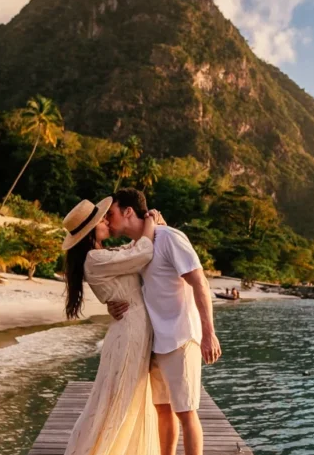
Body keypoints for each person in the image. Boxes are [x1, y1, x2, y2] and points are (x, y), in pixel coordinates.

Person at [106, 188, 222, 455]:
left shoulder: (170, 238)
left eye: (111, 213)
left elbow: (200, 283)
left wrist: (209, 334)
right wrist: (113, 304)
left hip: (181, 337)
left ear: (128, 211)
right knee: (163, 410)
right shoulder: (138, 248)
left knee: (186, 412)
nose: (108, 220)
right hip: (155, 342)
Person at [61, 196, 163, 455]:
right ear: (89, 231)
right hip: (129, 331)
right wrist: (150, 220)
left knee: (123, 396)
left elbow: (130, 252)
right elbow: (142, 253)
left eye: (105, 216)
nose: (106, 220)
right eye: (100, 219)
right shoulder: (94, 259)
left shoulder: (99, 256)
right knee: (121, 398)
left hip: (129, 328)